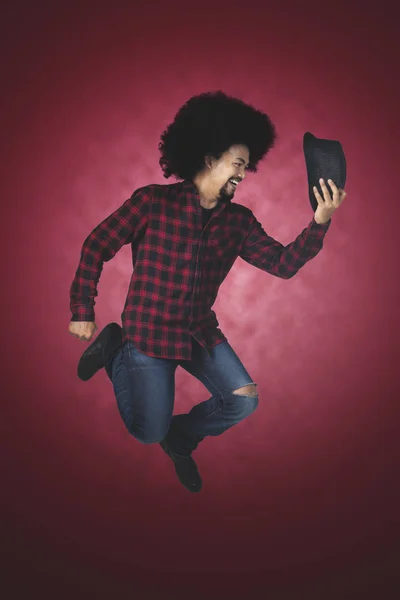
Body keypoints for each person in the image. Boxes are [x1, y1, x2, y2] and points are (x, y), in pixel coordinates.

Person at [68, 91, 346, 493]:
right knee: (147, 432)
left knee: (244, 400)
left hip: (198, 331)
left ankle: (180, 437)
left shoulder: (240, 222)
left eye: (248, 167)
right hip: (148, 334)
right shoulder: (152, 202)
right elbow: (97, 244)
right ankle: (115, 351)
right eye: (238, 163)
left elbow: (283, 265)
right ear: (208, 158)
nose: (244, 173)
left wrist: (320, 221)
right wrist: (82, 309)